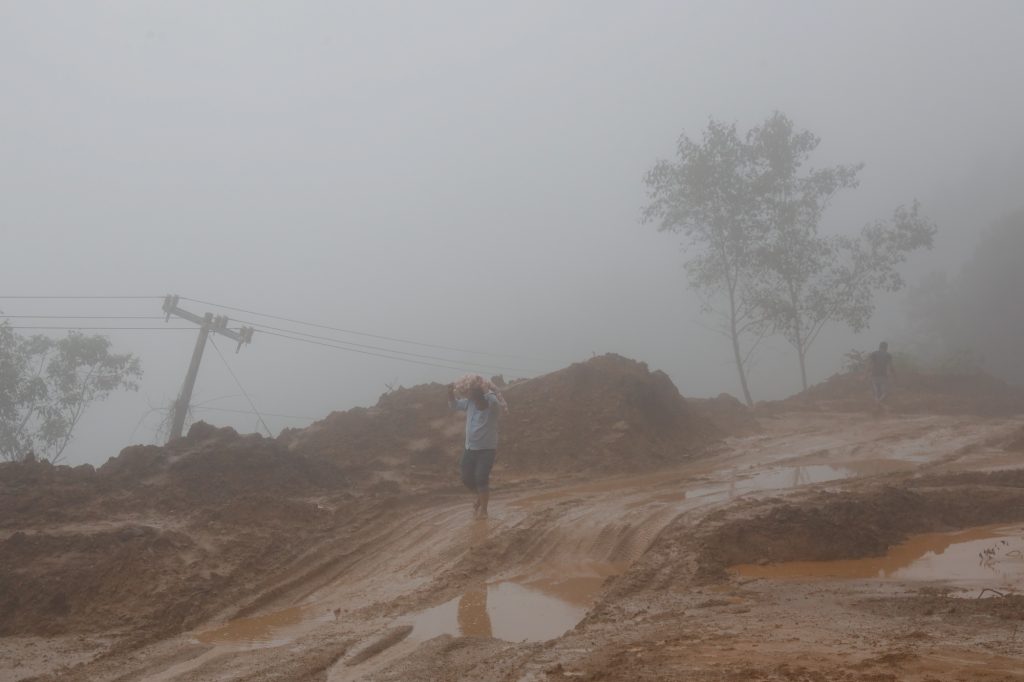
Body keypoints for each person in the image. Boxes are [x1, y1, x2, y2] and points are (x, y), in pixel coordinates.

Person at [448, 376, 505, 519]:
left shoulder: (493, 408)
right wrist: (450, 393)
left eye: (474, 394)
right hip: (470, 448)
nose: (471, 397)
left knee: (481, 478)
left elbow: (494, 403)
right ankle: (480, 496)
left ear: (481, 395)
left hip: (487, 450)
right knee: (466, 478)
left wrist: (486, 389)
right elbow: (454, 405)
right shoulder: (470, 404)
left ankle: (484, 510)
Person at [866, 341, 896, 407]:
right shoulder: (888, 355)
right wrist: (894, 374)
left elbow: (870, 364)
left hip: (874, 375)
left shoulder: (873, 354)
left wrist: (867, 373)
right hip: (883, 376)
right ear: (886, 348)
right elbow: (891, 366)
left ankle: (877, 403)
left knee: (876, 392)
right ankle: (879, 403)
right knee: (885, 392)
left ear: (879, 347)